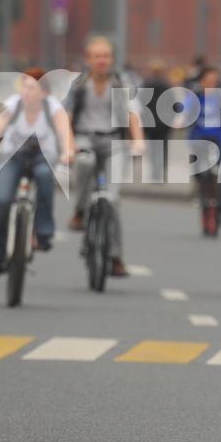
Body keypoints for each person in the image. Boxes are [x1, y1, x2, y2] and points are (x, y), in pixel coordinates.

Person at [63, 36, 147, 280]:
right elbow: (66, 118)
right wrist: (68, 146)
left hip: (113, 141)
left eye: (106, 56)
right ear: (88, 59)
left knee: (112, 199)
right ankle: (80, 211)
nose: (102, 60)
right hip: (84, 138)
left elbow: (132, 116)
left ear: (112, 59)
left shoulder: (120, 83)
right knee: (85, 162)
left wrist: (138, 141)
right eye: (97, 56)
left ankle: (115, 256)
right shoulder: (78, 85)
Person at [0, 68, 75, 279]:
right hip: (13, 158)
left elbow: (64, 130)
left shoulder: (53, 108)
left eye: (32, 87)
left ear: (44, 92)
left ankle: (43, 232)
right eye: (24, 86)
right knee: (3, 201)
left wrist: (69, 151)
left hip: (42, 157)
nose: (27, 91)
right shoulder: (13, 105)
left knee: (44, 176)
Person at [187, 64, 221, 229]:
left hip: (218, 139)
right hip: (199, 139)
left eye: (214, 81)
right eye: (208, 81)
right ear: (202, 82)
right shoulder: (195, 97)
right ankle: (199, 188)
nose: (211, 84)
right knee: (198, 168)